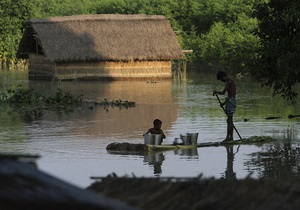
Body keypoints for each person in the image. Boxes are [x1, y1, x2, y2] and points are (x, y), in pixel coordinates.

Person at [213, 71, 236, 142]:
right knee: (229, 120)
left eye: (221, 79)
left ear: (223, 77)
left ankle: (229, 138)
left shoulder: (229, 82)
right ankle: (230, 137)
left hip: (231, 102)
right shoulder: (229, 82)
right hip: (230, 101)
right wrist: (224, 103)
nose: (221, 81)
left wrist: (216, 91)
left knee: (230, 120)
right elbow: (230, 96)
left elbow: (223, 93)